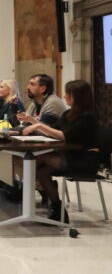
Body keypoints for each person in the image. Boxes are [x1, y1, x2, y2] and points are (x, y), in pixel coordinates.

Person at [22, 80, 99, 223]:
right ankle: (57, 208)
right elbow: (54, 129)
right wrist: (33, 121)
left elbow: (64, 135)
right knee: (41, 171)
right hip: (70, 155)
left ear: (78, 96)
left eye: (68, 94)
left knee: (38, 158)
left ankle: (22, 188)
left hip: (85, 159)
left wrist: (38, 126)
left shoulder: (88, 117)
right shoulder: (69, 113)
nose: (64, 96)